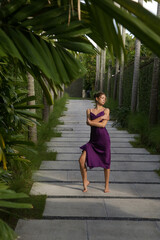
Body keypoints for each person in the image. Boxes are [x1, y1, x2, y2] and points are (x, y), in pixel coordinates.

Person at [79, 91, 111, 193]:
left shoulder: (106, 110)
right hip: (93, 141)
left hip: (104, 140)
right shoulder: (89, 110)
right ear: (96, 98)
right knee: (81, 160)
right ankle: (85, 180)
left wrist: (92, 122)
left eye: (105, 98)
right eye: (102, 98)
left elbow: (102, 125)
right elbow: (88, 123)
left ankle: (106, 186)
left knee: (106, 163)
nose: (104, 100)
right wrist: (101, 118)